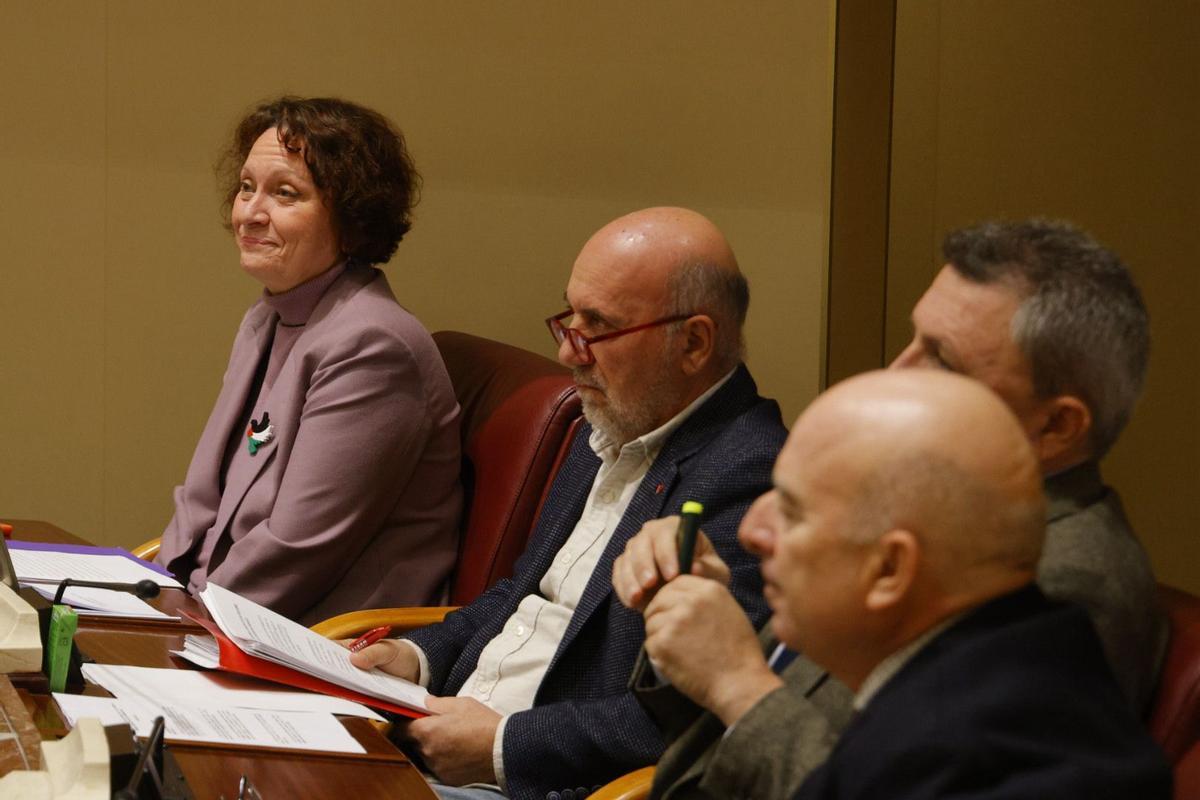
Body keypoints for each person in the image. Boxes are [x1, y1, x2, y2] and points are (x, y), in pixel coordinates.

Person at [616, 218, 1166, 799]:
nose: (896, 370)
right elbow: (733, 730)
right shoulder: (916, 502)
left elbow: (897, 781)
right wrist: (690, 621)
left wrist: (734, 682)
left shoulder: (1062, 582)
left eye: (942, 360)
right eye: (912, 337)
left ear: (1057, 425)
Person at [349, 207, 787, 800]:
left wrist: (503, 746)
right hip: (443, 736)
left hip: (531, 784)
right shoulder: (609, 420)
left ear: (694, 342)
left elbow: (681, 719)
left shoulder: (750, 476)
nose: (569, 352)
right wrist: (414, 658)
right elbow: (521, 596)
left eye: (598, 326)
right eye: (569, 317)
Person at [774, 370, 1169, 798]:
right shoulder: (993, 664)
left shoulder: (971, 758)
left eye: (792, 514)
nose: (756, 533)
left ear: (889, 569)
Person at [157, 97, 463, 625]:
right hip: (222, 616)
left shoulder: (374, 344)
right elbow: (202, 498)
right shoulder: (267, 316)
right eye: (246, 187)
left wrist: (180, 622)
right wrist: (153, 589)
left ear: (352, 220)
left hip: (319, 641)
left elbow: (297, 549)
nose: (250, 212)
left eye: (285, 193)